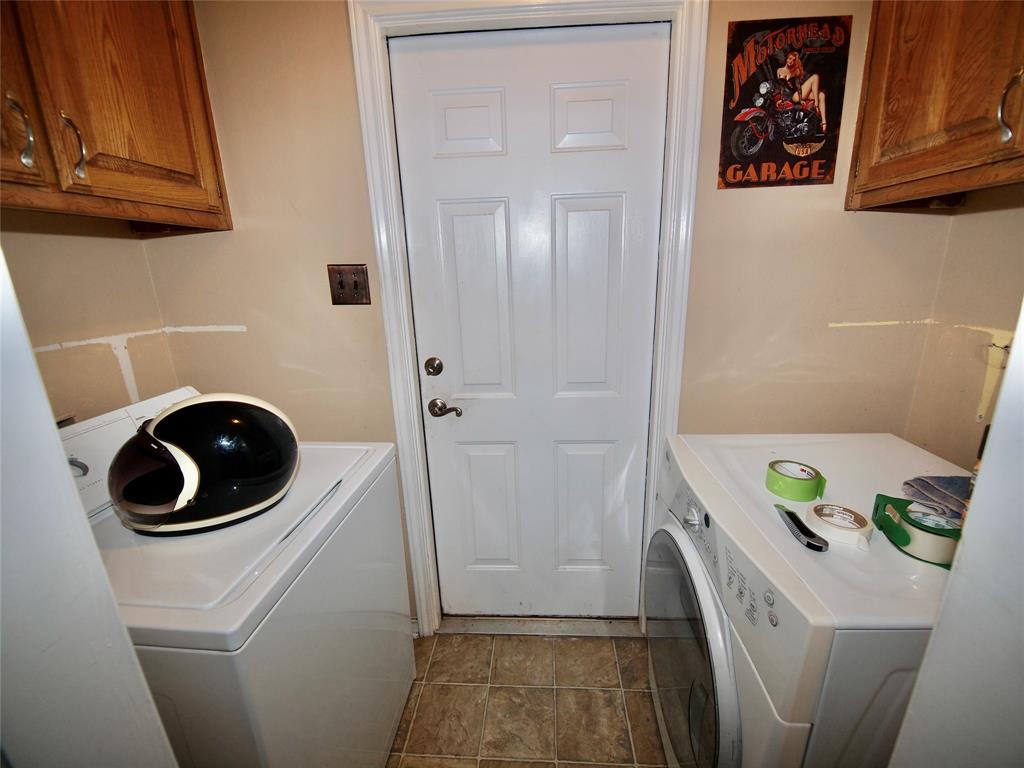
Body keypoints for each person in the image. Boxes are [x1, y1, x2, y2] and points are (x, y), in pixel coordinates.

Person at [776, 50, 827, 133]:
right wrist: (782, 99)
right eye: (789, 59)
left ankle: (824, 122)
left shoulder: (795, 71)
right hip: (793, 96)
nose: (791, 61)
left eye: (793, 60)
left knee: (821, 95)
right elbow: (782, 86)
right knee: (815, 77)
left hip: (798, 95)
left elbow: (798, 87)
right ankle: (817, 106)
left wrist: (801, 99)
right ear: (786, 59)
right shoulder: (780, 70)